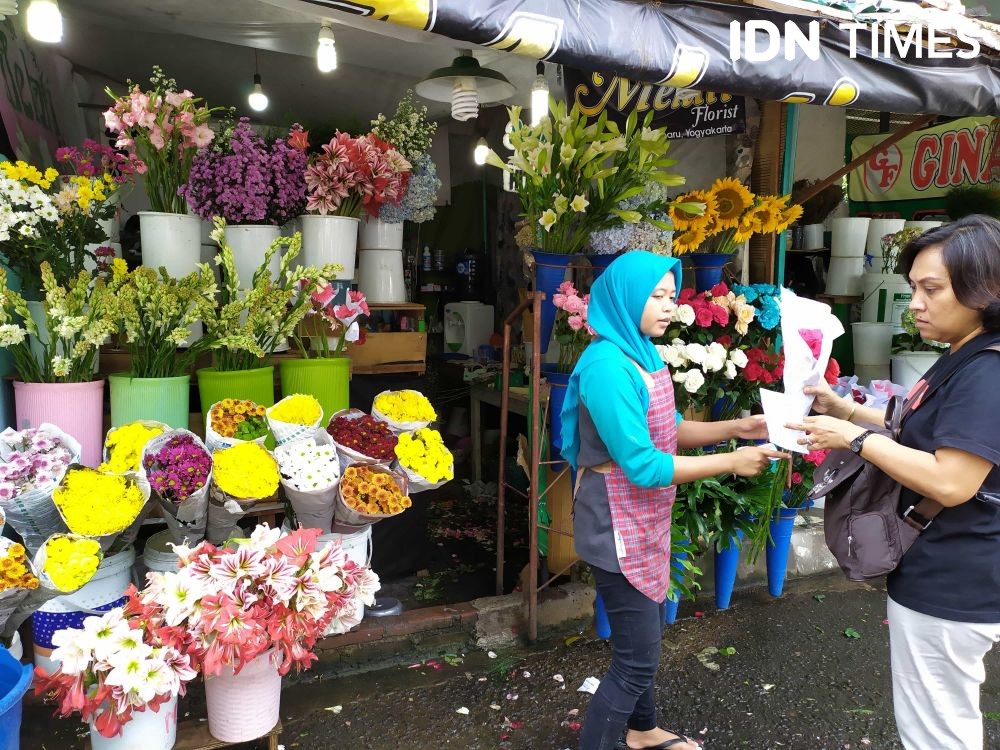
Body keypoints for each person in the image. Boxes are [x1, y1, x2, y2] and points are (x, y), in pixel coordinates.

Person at [787, 214, 1000, 750]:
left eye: (933, 289)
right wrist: (849, 411)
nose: (917, 304)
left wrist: (853, 439)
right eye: (914, 289)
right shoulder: (964, 354)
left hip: (954, 580)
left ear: (985, 290)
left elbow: (952, 482)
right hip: (950, 569)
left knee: (937, 733)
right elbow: (920, 436)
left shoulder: (987, 372)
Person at [561, 251, 787, 750]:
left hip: (642, 516)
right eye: (656, 296)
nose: (668, 306)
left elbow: (669, 430)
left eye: (670, 295)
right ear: (623, 298)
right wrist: (732, 462)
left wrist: (737, 429)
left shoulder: (640, 350)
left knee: (637, 646)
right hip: (615, 521)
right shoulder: (607, 368)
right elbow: (644, 465)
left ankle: (642, 732)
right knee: (637, 658)